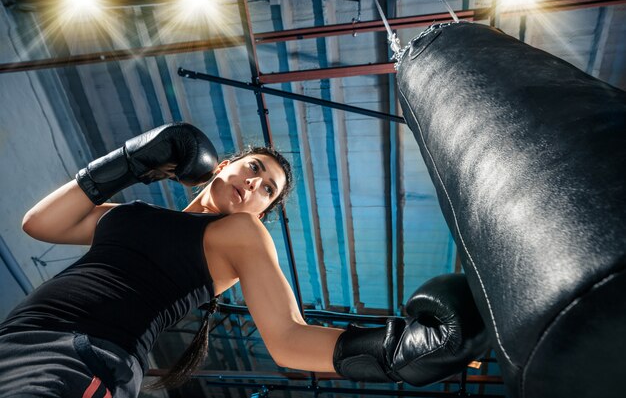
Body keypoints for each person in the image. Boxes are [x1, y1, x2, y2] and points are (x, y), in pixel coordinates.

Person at [0, 122, 488, 398]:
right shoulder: (132, 213)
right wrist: (133, 161)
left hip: (85, 356)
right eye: (254, 168)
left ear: (261, 212)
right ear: (226, 163)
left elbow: (289, 339)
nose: (255, 183)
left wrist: (398, 352)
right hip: (14, 338)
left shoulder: (237, 233)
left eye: (267, 190)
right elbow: (40, 223)